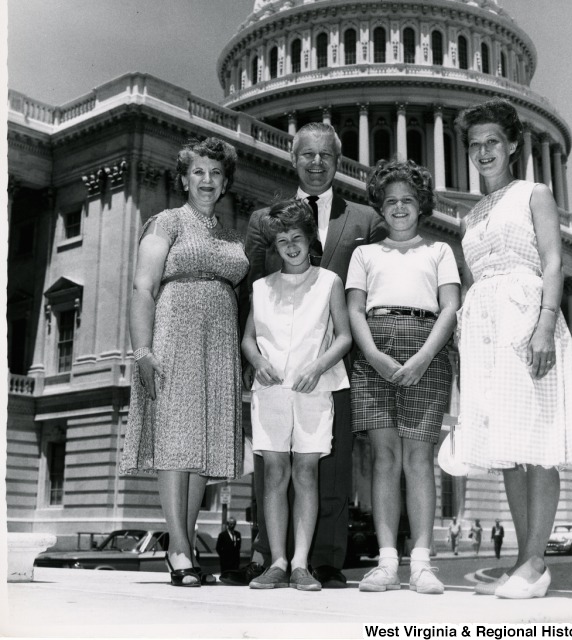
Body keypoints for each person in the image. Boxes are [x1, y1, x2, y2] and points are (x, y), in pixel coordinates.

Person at [224, 122, 385, 589]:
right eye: (307, 155)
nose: (316, 163)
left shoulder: (365, 220)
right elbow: (250, 297)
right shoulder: (262, 221)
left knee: (326, 469)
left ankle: (327, 558)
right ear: (293, 159)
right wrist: (250, 362)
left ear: (338, 160)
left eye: (326, 156)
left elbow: (365, 299)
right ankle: (268, 555)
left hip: (333, 368)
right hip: (274, 371)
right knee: (272, 465)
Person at [455, 99, 572, 599]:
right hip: (486, 327)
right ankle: (521, 558)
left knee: (539, 445)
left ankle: (537, 561)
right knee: (508, 449)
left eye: (493, 142)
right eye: (475, 144)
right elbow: (475, 282)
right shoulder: (471, 215)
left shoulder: (535, 193)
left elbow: (553, 263)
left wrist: (543, 325)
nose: (483, 151)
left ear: (512, 145)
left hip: (527, 317)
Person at [120, 137, 249, 587]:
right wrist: (143, 351)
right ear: (183, 178)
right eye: (198, 172)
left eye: (216, 173)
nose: (207, 181)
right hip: (175, 332)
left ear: (226, 181)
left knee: (201, 449)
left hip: (219, 341)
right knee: (175, 441)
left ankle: (187, 543)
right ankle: (177, 548)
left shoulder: (231, 233)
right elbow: (142, 287)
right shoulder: (166, 222)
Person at [347, 160, 460, 595]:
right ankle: (387, 560)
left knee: (418, 460)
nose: (398, 209)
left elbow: (448, 308)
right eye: (390, 201)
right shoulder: (365, 254)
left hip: (426, 344)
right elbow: (355, 308)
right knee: (384, 459)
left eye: (408, 201)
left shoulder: (438, 251)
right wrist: (372, 354)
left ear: (421, 206)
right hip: (374, 344)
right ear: (380, 205)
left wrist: (425, 356)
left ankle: (423, 563)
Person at [241, 199, 353, 591]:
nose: (290, 246)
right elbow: (248, 339)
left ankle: (302, 564)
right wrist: (257, 362)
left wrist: (317, 366)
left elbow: (344, 336)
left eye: (297, 238)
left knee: (306, 472)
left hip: (313, 389)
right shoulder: (261, 286)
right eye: (282, 240)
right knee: (274, 472)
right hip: (270, 391)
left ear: (311, 240)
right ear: (274, 245)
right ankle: (277, 561)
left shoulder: (328, 282)